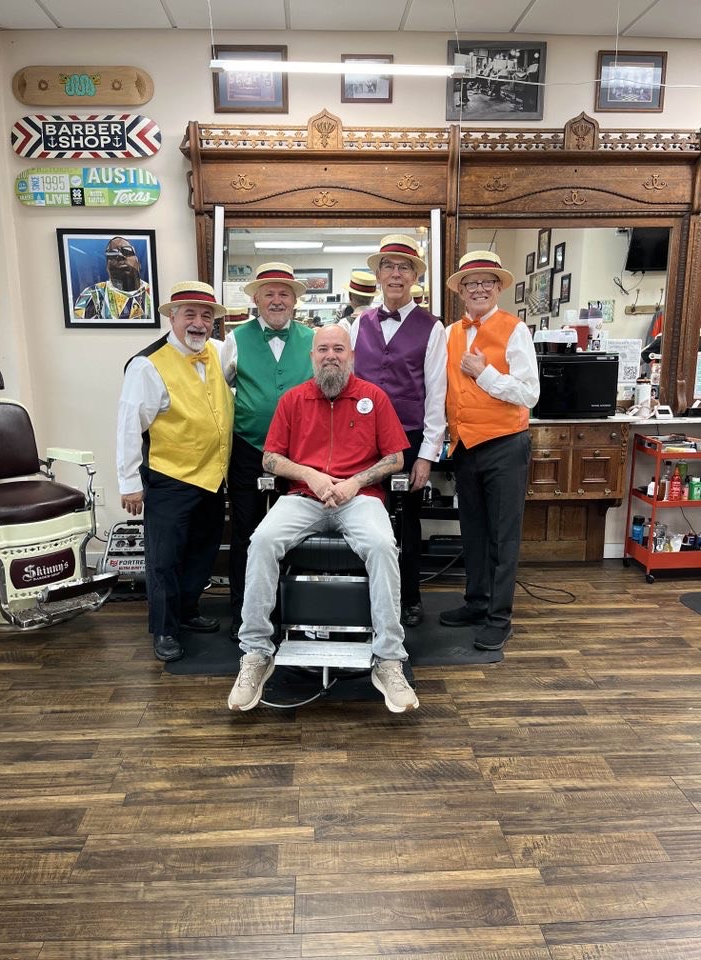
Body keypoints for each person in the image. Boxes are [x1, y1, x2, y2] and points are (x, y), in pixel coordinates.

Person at [227, 325, 418, 714]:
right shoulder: (293, 400)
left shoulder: (373, 397)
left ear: (352, 356)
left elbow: (397, 458)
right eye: (323, 350)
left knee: (383, 546)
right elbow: (269, 459)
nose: (331, 355)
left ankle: (388, 660)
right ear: (311, 357)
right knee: (260, 542)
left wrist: (354, 483)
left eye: (339, 349)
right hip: (303, 497)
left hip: (359, 498)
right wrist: (310, 475)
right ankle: (256, 653)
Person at [116, 281, 233, 662]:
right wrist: (130, 484)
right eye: (190, 315)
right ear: (171, 317)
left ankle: (188, 611)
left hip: (213, 477)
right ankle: (165, 629)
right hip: (170, 478)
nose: (198, 323)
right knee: (164, 558)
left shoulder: (216, 351)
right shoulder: (147, 365)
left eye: (206, 316)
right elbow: (128, 425)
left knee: (202, 552)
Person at [440, 250, 540, 651]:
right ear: (460, 291)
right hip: (465, 446)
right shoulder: (450, 333)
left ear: (498, 287)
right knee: (474, 533)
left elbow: (529, 393)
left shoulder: (516, 330)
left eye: (487, 281)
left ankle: (500, 617)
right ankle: (477, 602)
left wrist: (485, 374)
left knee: (503, 537)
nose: (479, 288)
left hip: (505, 446)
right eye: (470, 282)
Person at [351, 234, 447, 628]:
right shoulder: (358, 324)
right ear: (377, 275)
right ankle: (364, 596)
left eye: (403, 267)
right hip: (363, 440)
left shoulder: (433, 328)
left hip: (407, 440)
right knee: (363, 518)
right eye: (388, 266)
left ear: (414, 278)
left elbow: (436, 395)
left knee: (407, 522)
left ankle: (409, 597)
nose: (395, 273)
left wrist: (427, 454)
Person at [220, 262, 314, 642]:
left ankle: (292, 607)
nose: (277, 300)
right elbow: (221, 387)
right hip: (247, 449)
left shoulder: (313, 338)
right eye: (269, 293)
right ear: (256, 299)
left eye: (284, 293)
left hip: (298, 453)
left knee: (294, 531)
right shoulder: (235, 339)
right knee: (246, 532)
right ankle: (245, 613)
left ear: (294, 301)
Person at [75, 236, 152, 320]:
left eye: (127, 251)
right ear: (107, 267)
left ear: (139, 263)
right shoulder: (92, 295)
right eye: (112, 254)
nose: (120, 256)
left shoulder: (153, 294)